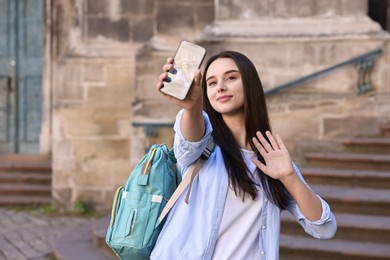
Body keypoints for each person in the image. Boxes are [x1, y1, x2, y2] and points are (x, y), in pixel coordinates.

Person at [152, 50, 337, 260]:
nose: (220, 86)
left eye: (231, 77)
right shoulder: (202, 146)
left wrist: (289, 177)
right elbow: (188, 142)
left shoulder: (273, 160)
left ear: (249, 85)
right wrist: (192, 107)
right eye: (211, 83)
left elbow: (325, 228)